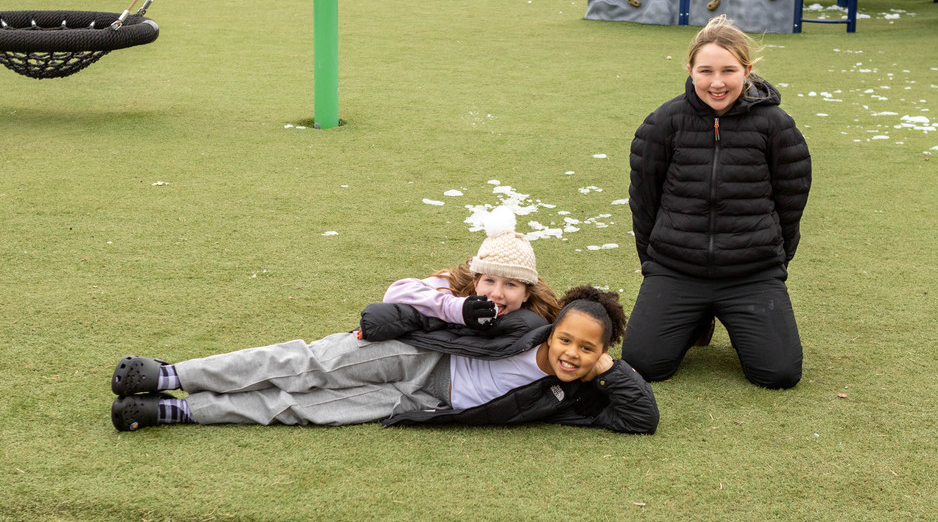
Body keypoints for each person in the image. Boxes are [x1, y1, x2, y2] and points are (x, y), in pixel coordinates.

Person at [109, 209, 658, 434]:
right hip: (424, 355)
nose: (572, 353)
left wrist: (605, 365)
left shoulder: (576, 392)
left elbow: (642, 418)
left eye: (587, 350)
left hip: (424, 401)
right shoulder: (520, 319)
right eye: (570, 340)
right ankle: (170, 374)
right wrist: (446, 310)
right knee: (304, 364)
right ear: (555, 322)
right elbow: (404, 296)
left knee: (306, 408)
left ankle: (179, 410)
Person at [622, 14, 811, 390]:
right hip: (677, 269)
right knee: (643, 364)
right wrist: (655, 263)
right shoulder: (664, 122)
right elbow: (644, 203)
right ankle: (693, 316)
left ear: (748, 70)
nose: (718, 82)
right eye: (706, 70)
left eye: (729, 70)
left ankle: (725, 312)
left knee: (778, 374)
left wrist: (772, 262)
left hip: (750, 274)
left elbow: (791, 204)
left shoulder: (776, 125)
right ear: (690, 70)